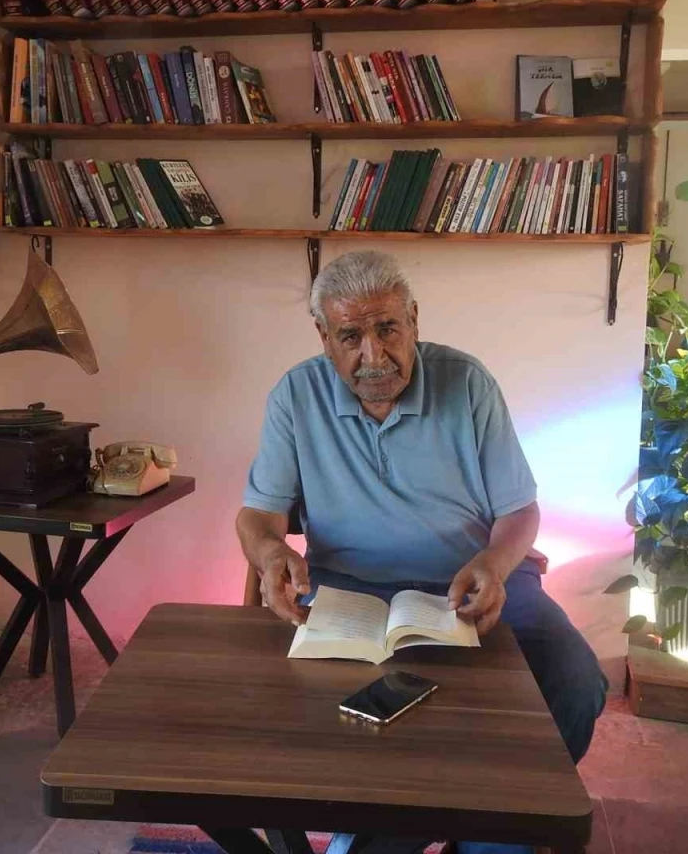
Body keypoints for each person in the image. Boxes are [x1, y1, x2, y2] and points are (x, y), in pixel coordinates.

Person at [236, 251, 607, 834]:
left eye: (388, 329)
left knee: (576, 682)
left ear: (413, 320)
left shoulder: (468, 382)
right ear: (324, 338)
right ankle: (423, 827)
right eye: (351, 336)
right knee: (302, 711)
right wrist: (269, 553)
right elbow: (259, 514)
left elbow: (519, 509)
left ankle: (491, 827)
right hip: (346, 589)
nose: (373, 356)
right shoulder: (295, 395)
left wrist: (495, 562)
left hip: (470, 579)